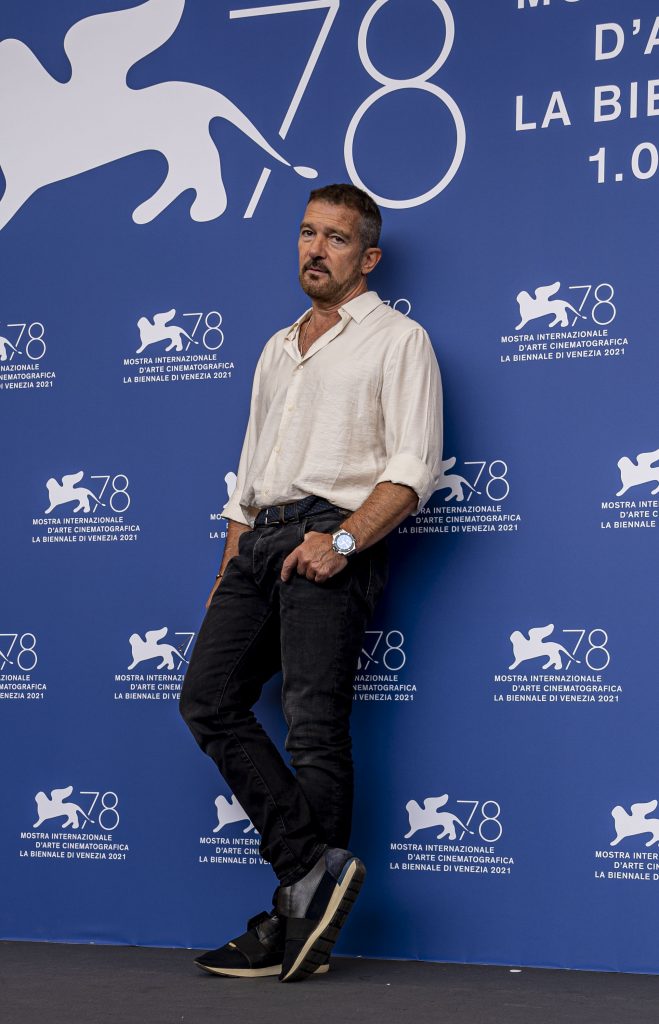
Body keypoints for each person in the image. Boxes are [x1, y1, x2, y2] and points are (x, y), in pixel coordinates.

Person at [179, 183, 442, 982]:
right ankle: (308, 875)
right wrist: (232, 562)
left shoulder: (399, 340)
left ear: (367, 257)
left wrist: (343, 540)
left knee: (313, 727)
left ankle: (293, 922)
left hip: (331, 533)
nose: (314, 249)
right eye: (305, 233)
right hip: (259, 540)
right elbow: (251, 471)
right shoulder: (275, 345)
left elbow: (412, 467)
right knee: (208, 698)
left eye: (334, 238)